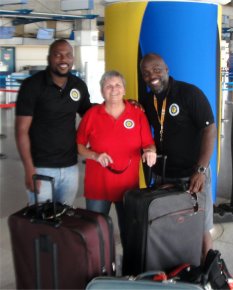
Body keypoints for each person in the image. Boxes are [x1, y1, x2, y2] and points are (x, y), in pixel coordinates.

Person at [139, 53, 217, 261]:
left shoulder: (189, 93)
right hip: (165, 176)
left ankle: (209, 271)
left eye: (156, 69)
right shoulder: (148, 100)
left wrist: (200, 170)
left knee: (201, 227)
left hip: (193, 175)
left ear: (166, 70)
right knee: (169, 225)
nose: (152, 76)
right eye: (146, 73)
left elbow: (210, 129)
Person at [76, 70, 157, 246]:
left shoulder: (137, 114)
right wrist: (94, 155)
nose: (114, 89)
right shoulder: (92, 114)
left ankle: (129, 270)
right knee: (96, 234)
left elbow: (148, 144)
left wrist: (150, 151)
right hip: (97, 187)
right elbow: (79, 146)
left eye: (118, 85)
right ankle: (100, 269)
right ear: (101, 90)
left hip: (128, 188)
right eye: (108, 86)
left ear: (124, 89)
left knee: (130, 233)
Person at [15, 39, 92, 205]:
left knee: (64, 223)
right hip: (41, 167)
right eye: (58, 55)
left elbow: (91, 113)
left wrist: (122, 105)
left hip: (70, 167)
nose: (63, 60)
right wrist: (29, 168)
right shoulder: (32, 86)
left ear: (73, 59)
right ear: (49, 58)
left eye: (68, 55)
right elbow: (21, 130)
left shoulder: (78, 86)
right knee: (41, 223)